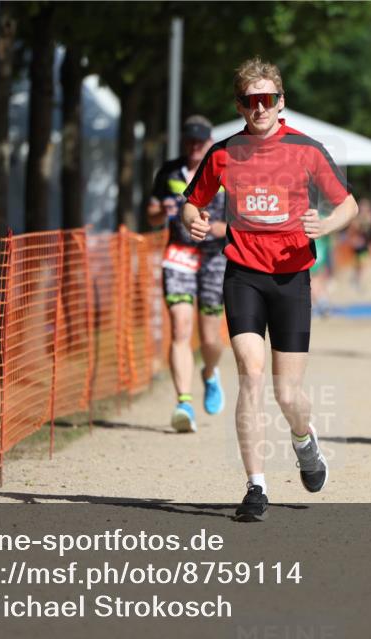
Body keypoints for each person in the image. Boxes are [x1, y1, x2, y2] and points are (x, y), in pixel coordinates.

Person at [182, 57, 358, 521]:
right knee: (250, 373)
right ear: (239, 106)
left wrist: (325, 224)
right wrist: (193, 220)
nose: (259, 108)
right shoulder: (223, 153)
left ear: (282, 102)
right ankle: (256, 486)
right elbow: (191, 202)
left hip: (291, 277)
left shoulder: (307, 149)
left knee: (287, 393)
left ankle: (304, 438)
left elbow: (349, 205)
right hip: (243, 273)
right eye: (250, 100)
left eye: (268, 99)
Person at [148, 116, 228, 433]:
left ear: (210, 141)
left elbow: (242, 219)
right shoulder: (169, 171)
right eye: (190, 141)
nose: (195, 146)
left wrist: (217, 228)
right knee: (180, 327)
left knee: (209, 337)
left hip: (215, 256)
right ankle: (183, 402)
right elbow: (152, 214)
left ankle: (209, 372)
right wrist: (163, 211)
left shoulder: (225, 170)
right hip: (179, 253)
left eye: (200, 141)